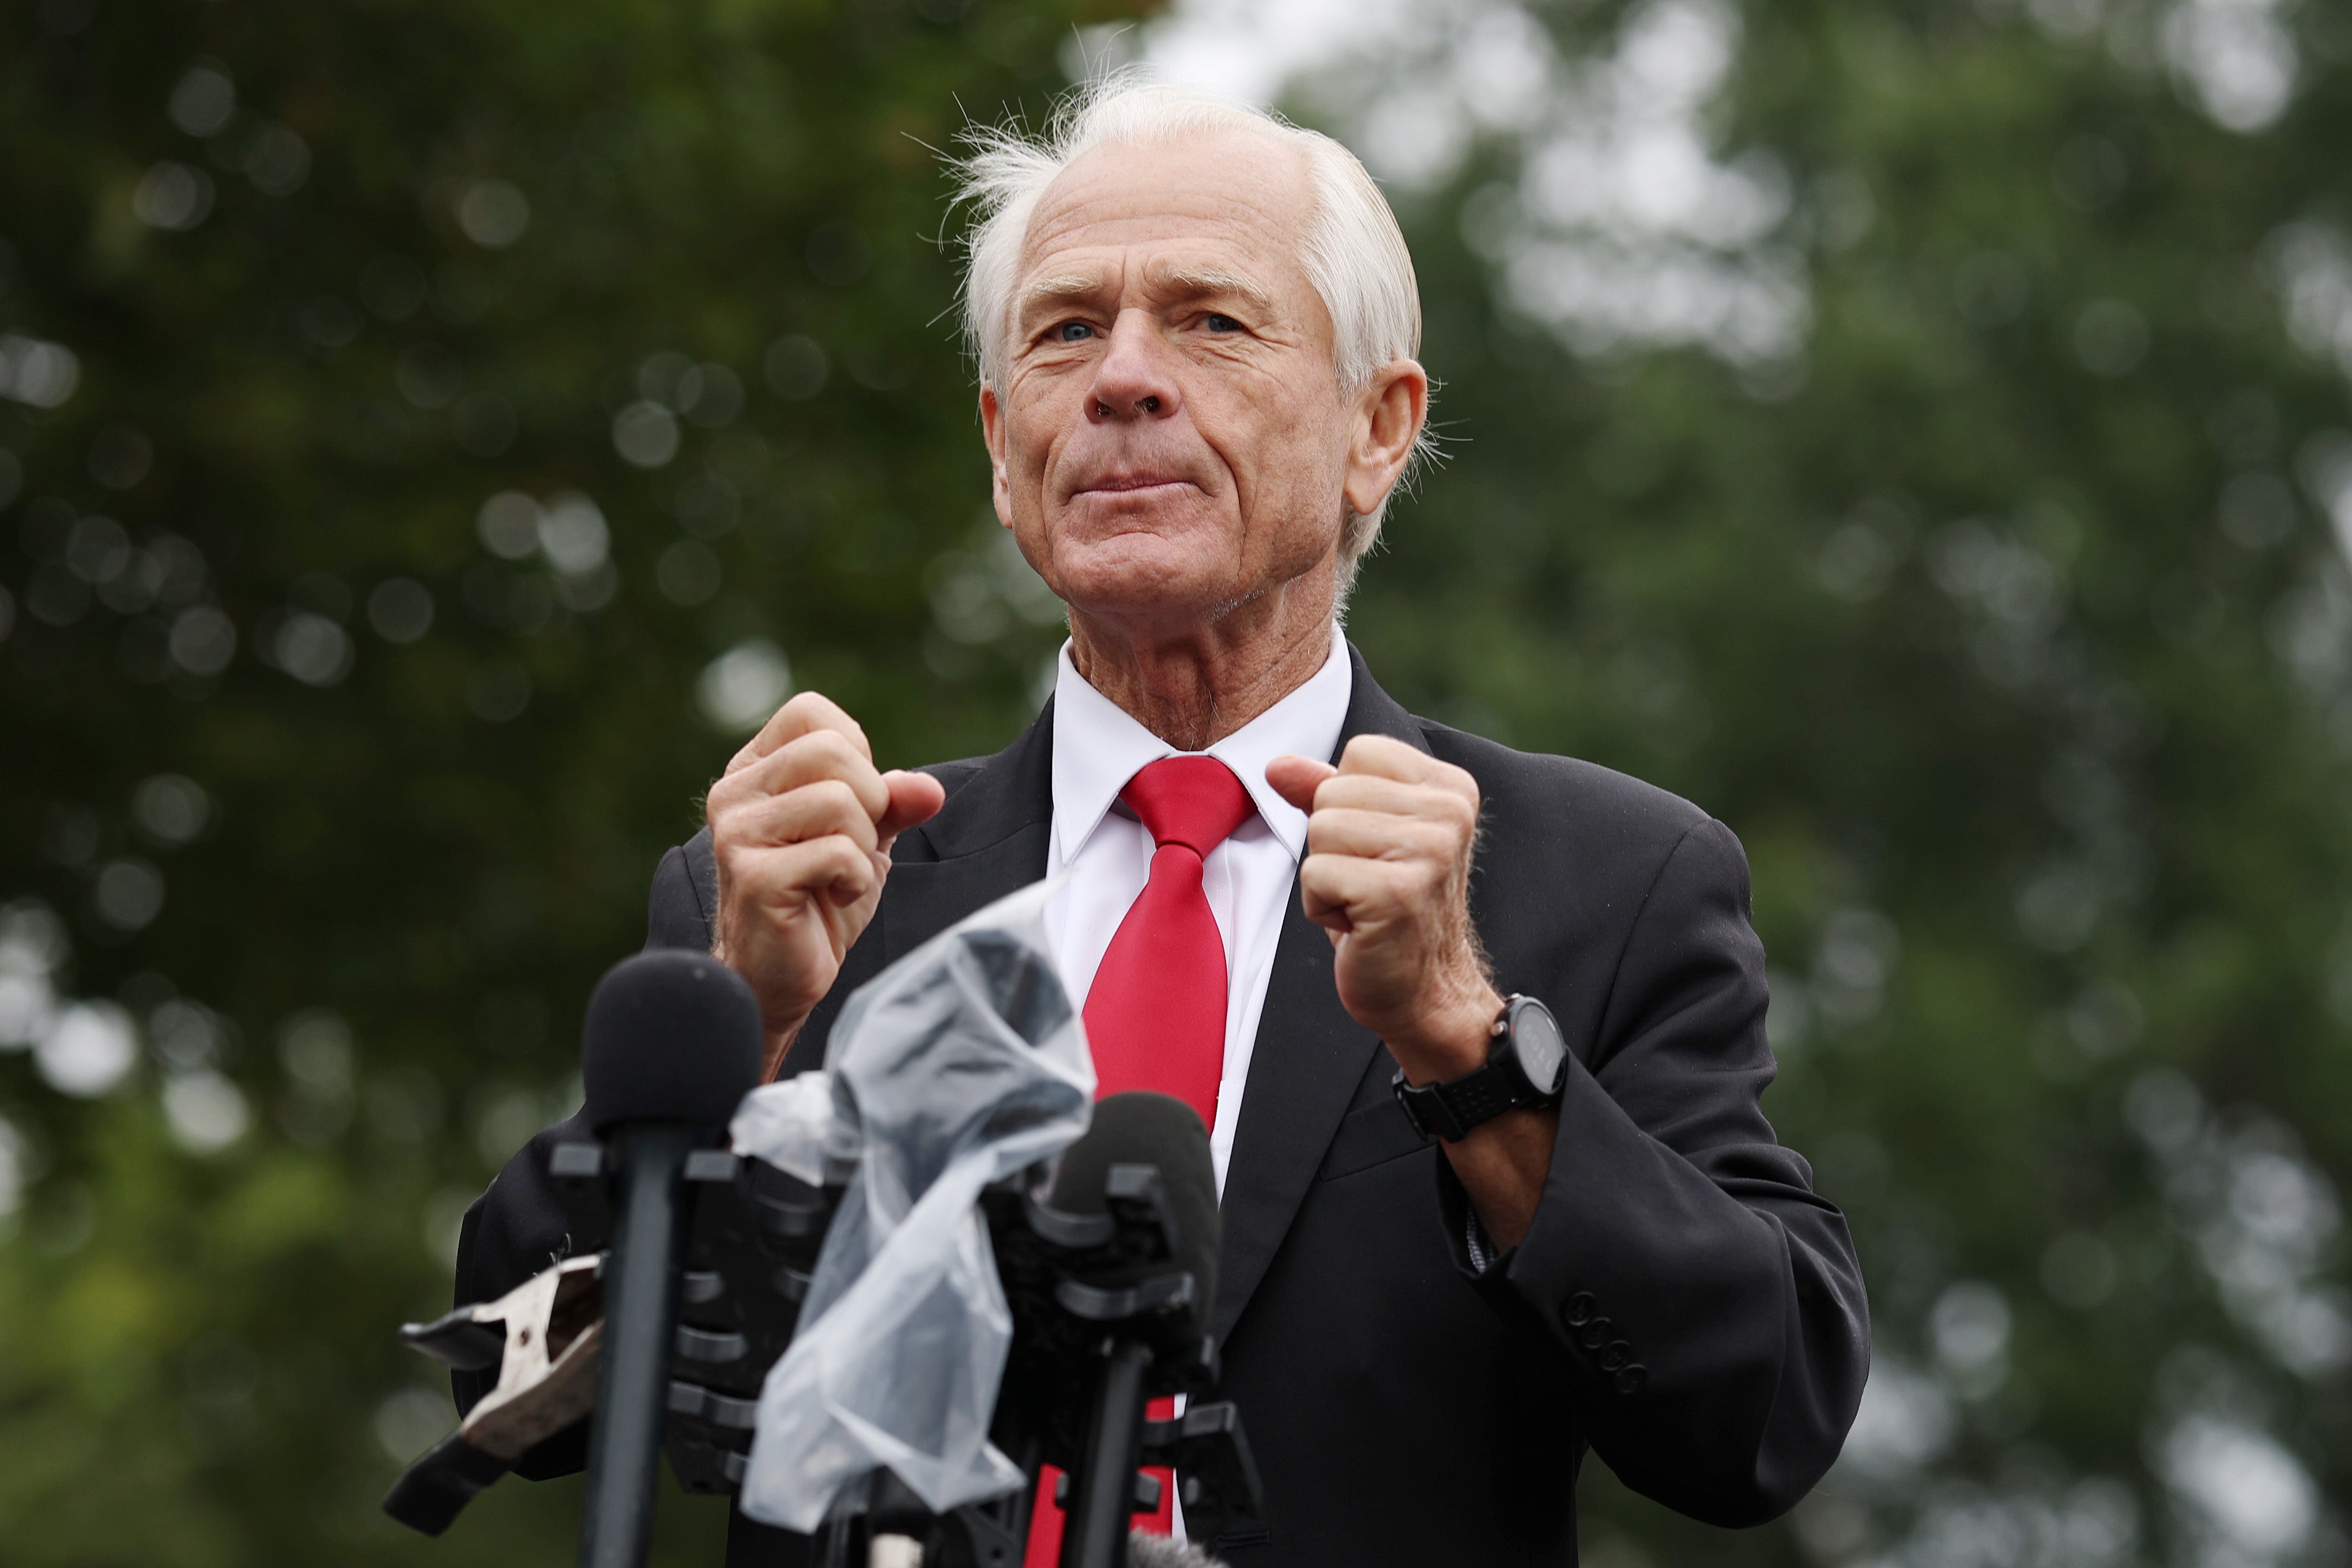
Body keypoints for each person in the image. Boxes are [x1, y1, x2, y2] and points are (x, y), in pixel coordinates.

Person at [456, 77, 1868, 1568]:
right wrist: (735, 1035)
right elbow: (511, 1407)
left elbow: (1756, 1420)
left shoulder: (1603, 885)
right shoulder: (809, 897)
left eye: (1210, 321)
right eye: (1068, 330)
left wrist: (1465, 1046)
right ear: (1005, 449)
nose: (1125, 377)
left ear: (1376, 429)